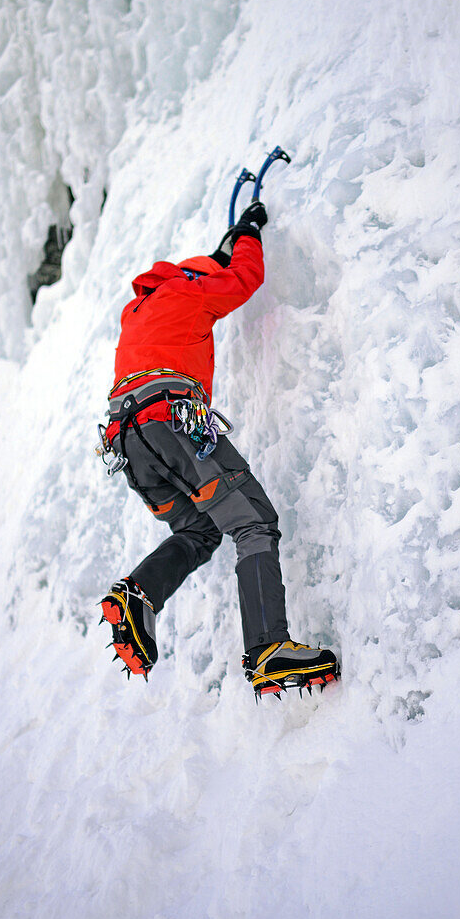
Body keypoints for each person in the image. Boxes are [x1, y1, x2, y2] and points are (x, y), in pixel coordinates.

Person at [98, 200, 339, 698]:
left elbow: (200, 279)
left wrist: (215, 255)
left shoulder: (136, 310)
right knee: (252, 519)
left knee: (200, 527)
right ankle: (270, 648)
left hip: (127, 440)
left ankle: (139, 596)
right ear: (192, 277)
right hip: (170, 421)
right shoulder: (189, 293)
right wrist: (247, 234)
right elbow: (242, 279)